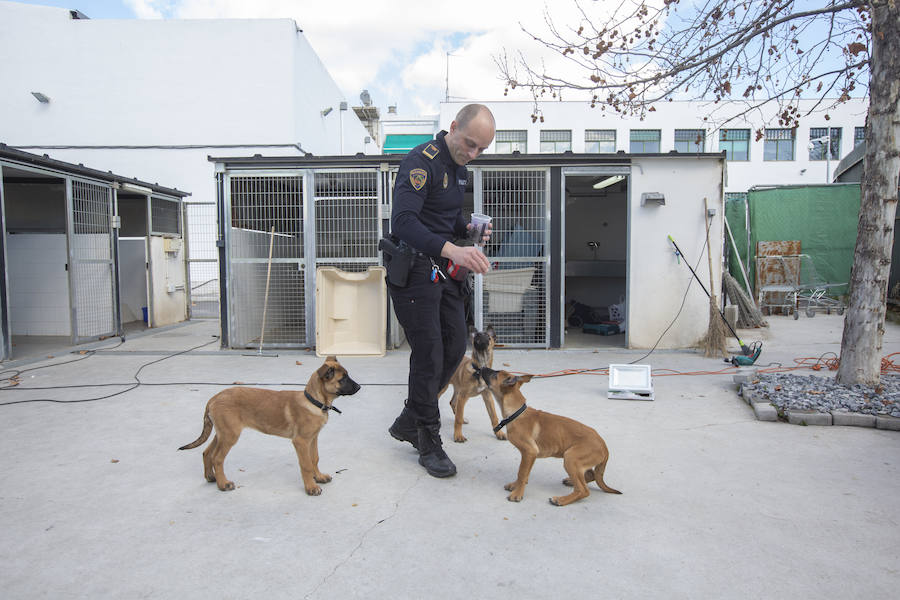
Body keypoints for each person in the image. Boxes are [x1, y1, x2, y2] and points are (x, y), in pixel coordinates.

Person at [386, 104, 495, 478]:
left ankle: (410, 418)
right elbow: (403, 222)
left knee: (454, 347)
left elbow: (445, 217)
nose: (473, 154)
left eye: (481, 149)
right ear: (452, 128)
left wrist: (469, 228)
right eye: (470, 144)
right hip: (413, 269)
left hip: (444, 272)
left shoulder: (458, 169)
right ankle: (427, 438)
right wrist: (454, 250)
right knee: (430, 351)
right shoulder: (421, 162)